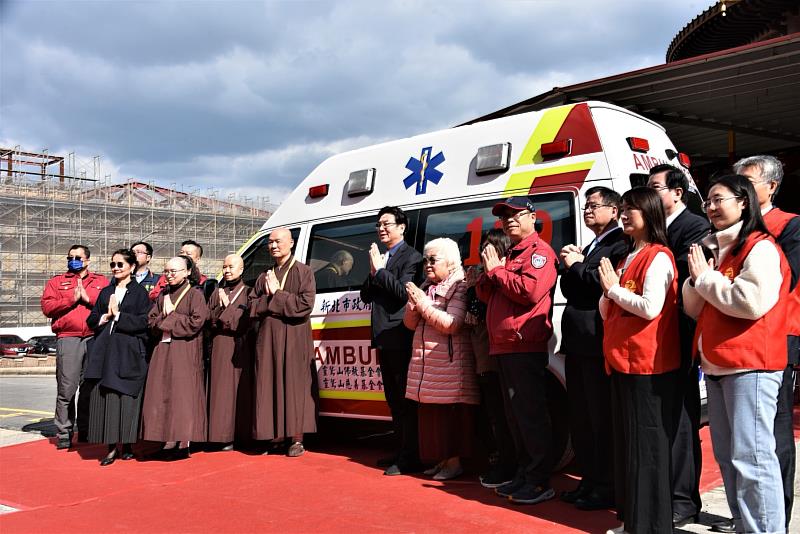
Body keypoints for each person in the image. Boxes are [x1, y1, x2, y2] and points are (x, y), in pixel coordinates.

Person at [684, 174, 789, 534]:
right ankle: (746, 525)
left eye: (719, 199)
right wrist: (698, 277)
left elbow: (750, 302)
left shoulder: (760, 247)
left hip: (750, 366)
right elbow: (694, 307)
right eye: (708, 201)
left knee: (753, 459)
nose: (711, 207)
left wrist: (706, 279)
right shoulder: (717, 250)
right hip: (718, 365)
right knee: (731, 458)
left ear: (744, 201)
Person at [598, 186, 681, 534]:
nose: (625, 214)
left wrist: (614, 290)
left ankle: (650, 524)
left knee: (647, 446)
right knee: (628, 446)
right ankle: (633, 520)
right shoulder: (626, 257)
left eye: (632, 209)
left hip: (647, 364)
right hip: (622, 361)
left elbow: (650, 308)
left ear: (651, 213)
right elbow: (610, 310)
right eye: (623, 208)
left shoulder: (659, 255)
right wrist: (609, 292)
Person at [475, 196, 559, 505]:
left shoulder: (539, 253)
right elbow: (486, 293)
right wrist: (487, 274)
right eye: (504, 216)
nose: (509, 220)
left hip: (524, 344)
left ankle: (539, 481)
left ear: (532, 217)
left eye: (515, 214)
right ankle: (525, 474)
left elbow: (530, 291)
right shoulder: (509, 254)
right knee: (515, 417)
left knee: (531, 415)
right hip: (504, 345)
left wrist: (496, 273)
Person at [734, 154, 799, 534]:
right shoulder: (731, 231)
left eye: (748, 182)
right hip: (733, 343)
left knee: (772, 435)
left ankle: (778, 518)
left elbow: (781, 283)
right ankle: (748, 515)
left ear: (771, 187)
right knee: (741, 442)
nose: (739, 190)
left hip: (777, 336)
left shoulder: (789, 226)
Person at [647, 164, 711, 527]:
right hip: (652, 340)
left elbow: (687, 279)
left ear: (677, 193)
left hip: (680, 335)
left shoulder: (694, 228)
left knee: (682, 423)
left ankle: (683, 501)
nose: (651, 193)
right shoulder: (652, 231)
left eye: (656, 188)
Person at [558, 186, 627, 511]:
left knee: (600, 418)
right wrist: (574, 266)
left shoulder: (618, 244)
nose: (587, 210)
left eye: (594, 205)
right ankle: (588, 480)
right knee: (582, 416)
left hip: (597, 342)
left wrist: (576, 266)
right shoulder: (591, 245)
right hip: (577, 341)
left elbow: (598, 284)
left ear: (614, 211)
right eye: (585, 205)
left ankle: (605, 484)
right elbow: (573, 286)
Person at [403, 238, 479, 481]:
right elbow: (409, 324)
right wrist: (414, 306)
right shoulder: (426, 285)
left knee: (450, 417)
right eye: (426, 259)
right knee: (433, 418)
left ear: (451, 261)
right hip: (428, 363)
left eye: (433, 260)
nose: (427, 264)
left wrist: (423, 303)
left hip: (449, 363)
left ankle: (454, 462)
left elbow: (452, 324)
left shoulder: (459, 285)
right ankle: (442, 460)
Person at [360, 206, 423, 476]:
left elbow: (402, 294)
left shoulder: (412, 257)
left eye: (386, 224)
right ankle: (400, 450)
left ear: (402, 227)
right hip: (383, 337)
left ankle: (411, 456)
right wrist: (375, 271)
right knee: (393, 399)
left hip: (400, 336)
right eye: (378, 225)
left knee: (404, 398)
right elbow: (365, 295)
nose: (381, 229)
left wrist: (381, 271)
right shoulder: (382, 257)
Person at [250, 227, 316, 457]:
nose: (273, 246)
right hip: (268, 337)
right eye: (270, 242)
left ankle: (296, 438)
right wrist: (271, 299)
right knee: (270, 383)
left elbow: (305, 305)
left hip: (294, 336)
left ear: (291, 243)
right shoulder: (263, 276)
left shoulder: (304, 272)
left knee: (295, 384)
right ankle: (275, 436)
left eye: (278, 241)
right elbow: (252, 306)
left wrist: (276, 296)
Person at [84, 249, 150, 465]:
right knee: (108, 398)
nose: (115, 268)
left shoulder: (140, 293)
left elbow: (144, 322)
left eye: (120, 264)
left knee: (128, 398)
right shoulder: (106, 291)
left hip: (128, 351)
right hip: (105, 351)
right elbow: (92, 318)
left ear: (131, 267)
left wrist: (120, 315)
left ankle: (128, 444)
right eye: (113, 264)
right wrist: (105, 317)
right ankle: (111, 447)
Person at [40, 244, 108, 449]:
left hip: (94, 337)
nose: (73, 260)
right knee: (66, 389)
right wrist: (71, 299)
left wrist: (89, 299)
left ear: (88, 260)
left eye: (78, 257)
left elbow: (109, 303)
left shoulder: (100, 281)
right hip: (68, 338)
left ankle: (87, 430)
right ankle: (64, 432)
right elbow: (47, 307)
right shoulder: (57, 282)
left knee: (90, 387)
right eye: (70, 257)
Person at [141, 255, 209, 460]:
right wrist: (165, 317)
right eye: (167, 272)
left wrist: (170, 317)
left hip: (184, 350)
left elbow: (197, 322)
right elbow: (151, 321)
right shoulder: (163, 295)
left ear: (188, 272)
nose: (169, 276)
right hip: (163, 350)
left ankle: (184, 440)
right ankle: (167, 439)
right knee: (162, 393)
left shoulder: (195, 295)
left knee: (182, 396)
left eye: (174, 271)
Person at [465, 229, 516, 489]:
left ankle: (508, 462)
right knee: (492, 409)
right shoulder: (478, 275)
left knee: (503, 411)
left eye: (489, 247)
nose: (483, 253)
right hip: (482, 350)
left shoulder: (504, 273)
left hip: (498, 350)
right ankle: (500, 458)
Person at [207, 254, 252, 450]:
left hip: (240, 347)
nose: (227, 270)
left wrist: (228, 306)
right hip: (219, 345)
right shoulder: (217, 292)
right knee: (219, 392)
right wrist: (220, 309)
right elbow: (208, 319)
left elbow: (244, 322)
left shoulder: (249, 291)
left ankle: (239, 435)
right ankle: (220, 436)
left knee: (239, 392)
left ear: (241, 270)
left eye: (231, 267)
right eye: (224, 267)